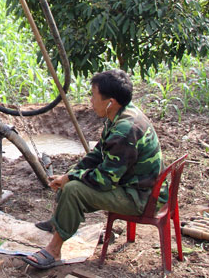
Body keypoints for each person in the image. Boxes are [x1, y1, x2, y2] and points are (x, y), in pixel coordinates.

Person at [21, 69, 163, 270]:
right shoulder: (121, 115)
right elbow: (97, 155)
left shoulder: (125, 130)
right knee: (71, 180)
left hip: (140, 197)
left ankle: (53, 250)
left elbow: (105, 180)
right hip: (133, 185)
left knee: (73, 190)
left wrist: (71, 179)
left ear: (110, 102)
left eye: (93, 96)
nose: (90, 100)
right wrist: (70, 174)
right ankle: (58, 222)